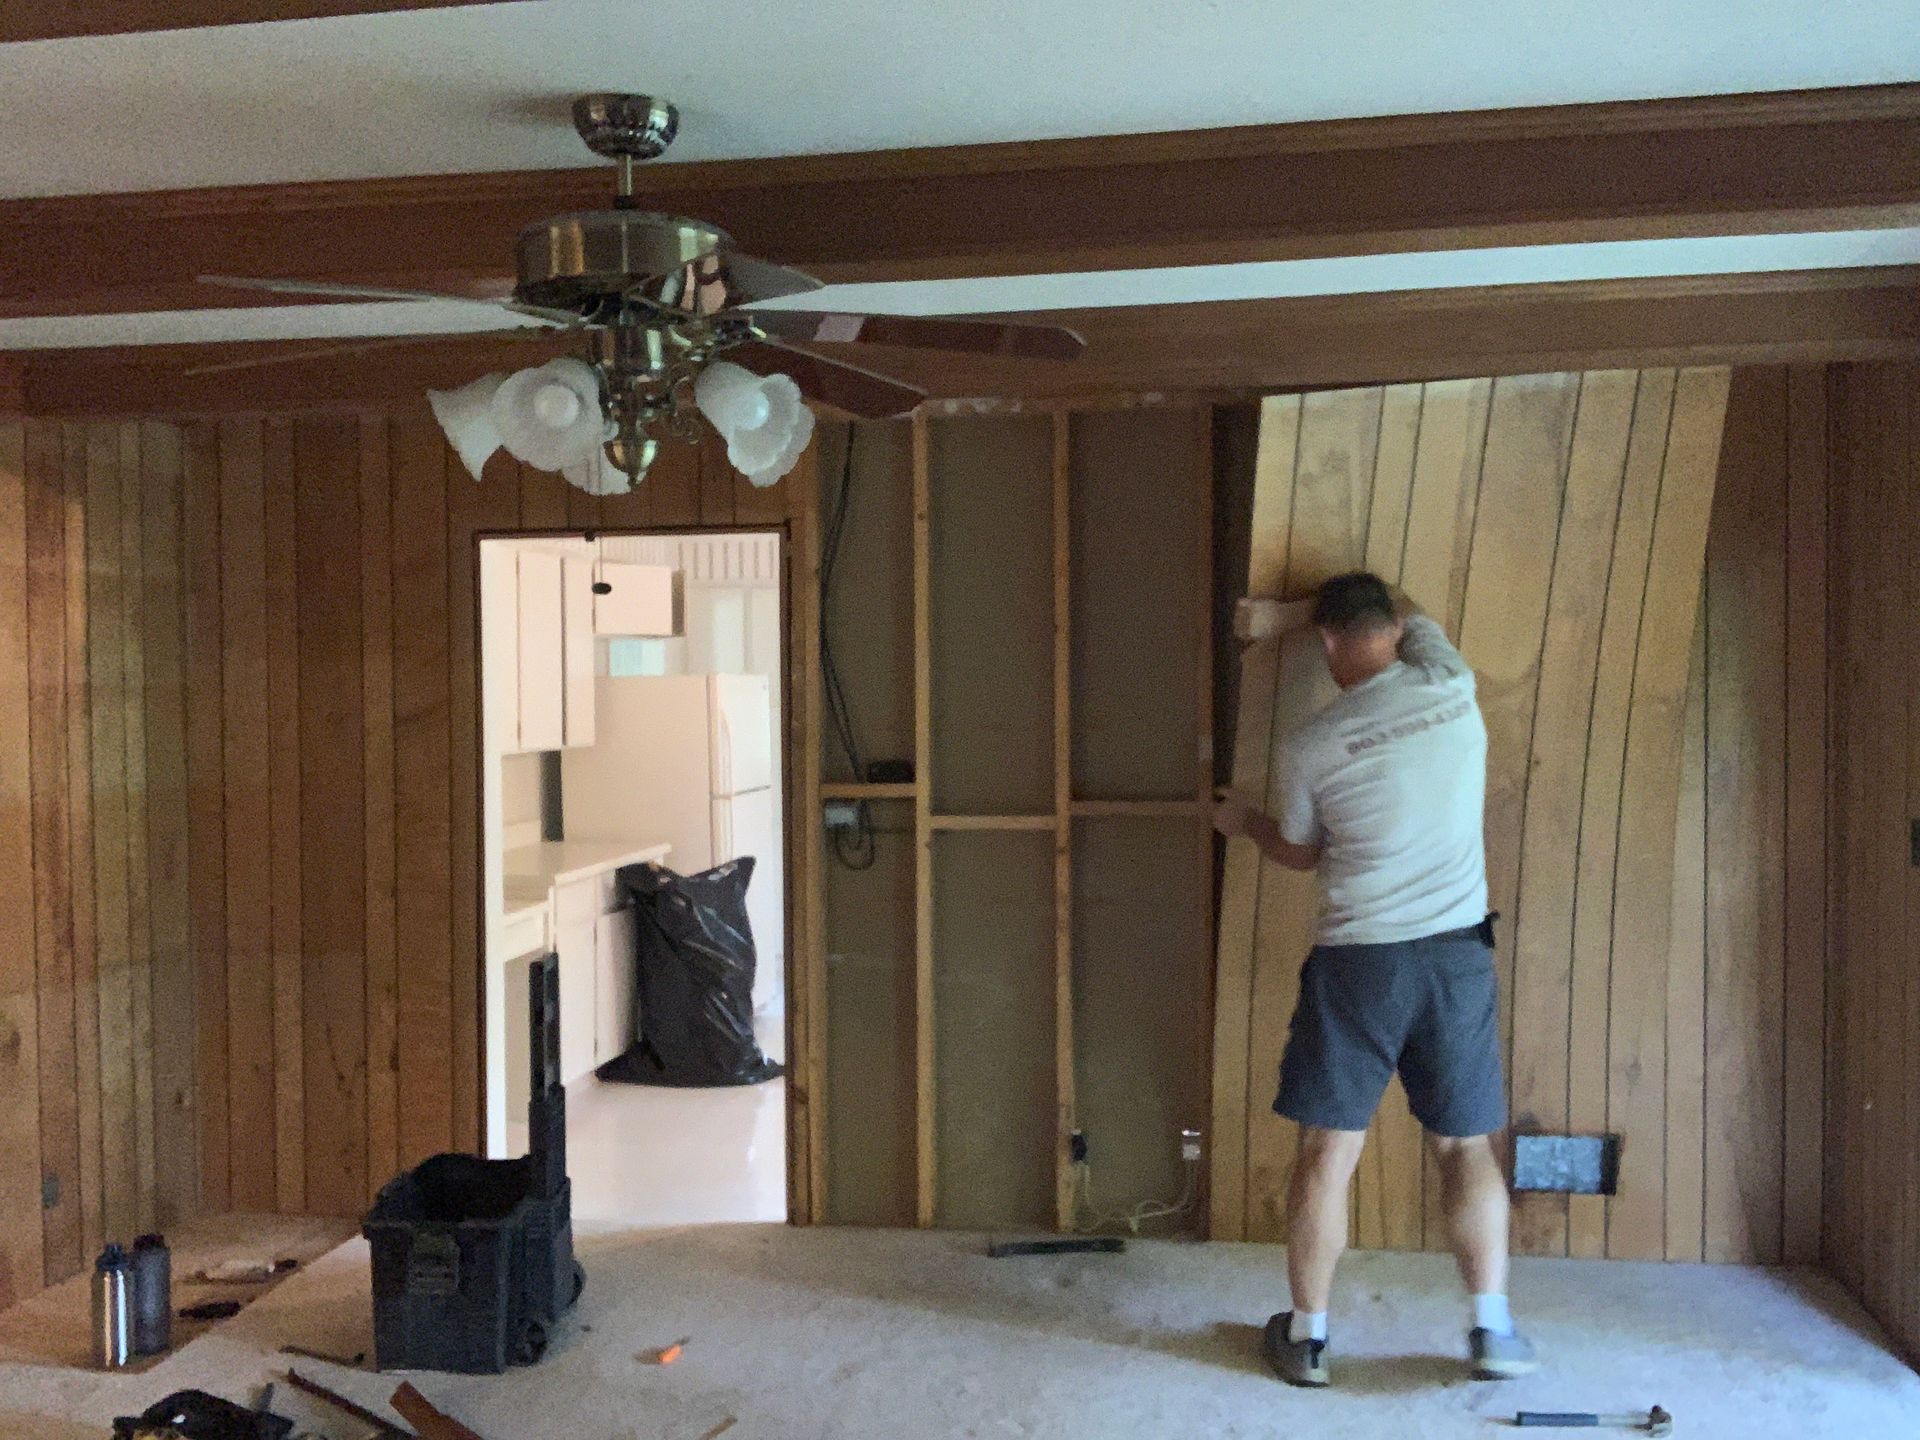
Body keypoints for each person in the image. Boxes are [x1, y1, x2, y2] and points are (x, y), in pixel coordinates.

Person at [1214, 571, 1537, 1387]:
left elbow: (1299, 851)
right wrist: (1297, 612)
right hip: (1457, 956)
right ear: (1394, 629)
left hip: (1361, 961)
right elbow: (1412, 605)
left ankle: (1311, 1339)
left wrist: (1237, 819)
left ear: (1326, 644)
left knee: (1329, 1148)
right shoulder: (1448, 681)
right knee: (1465, 1145)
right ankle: (1491, 1329)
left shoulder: (1309, 745)